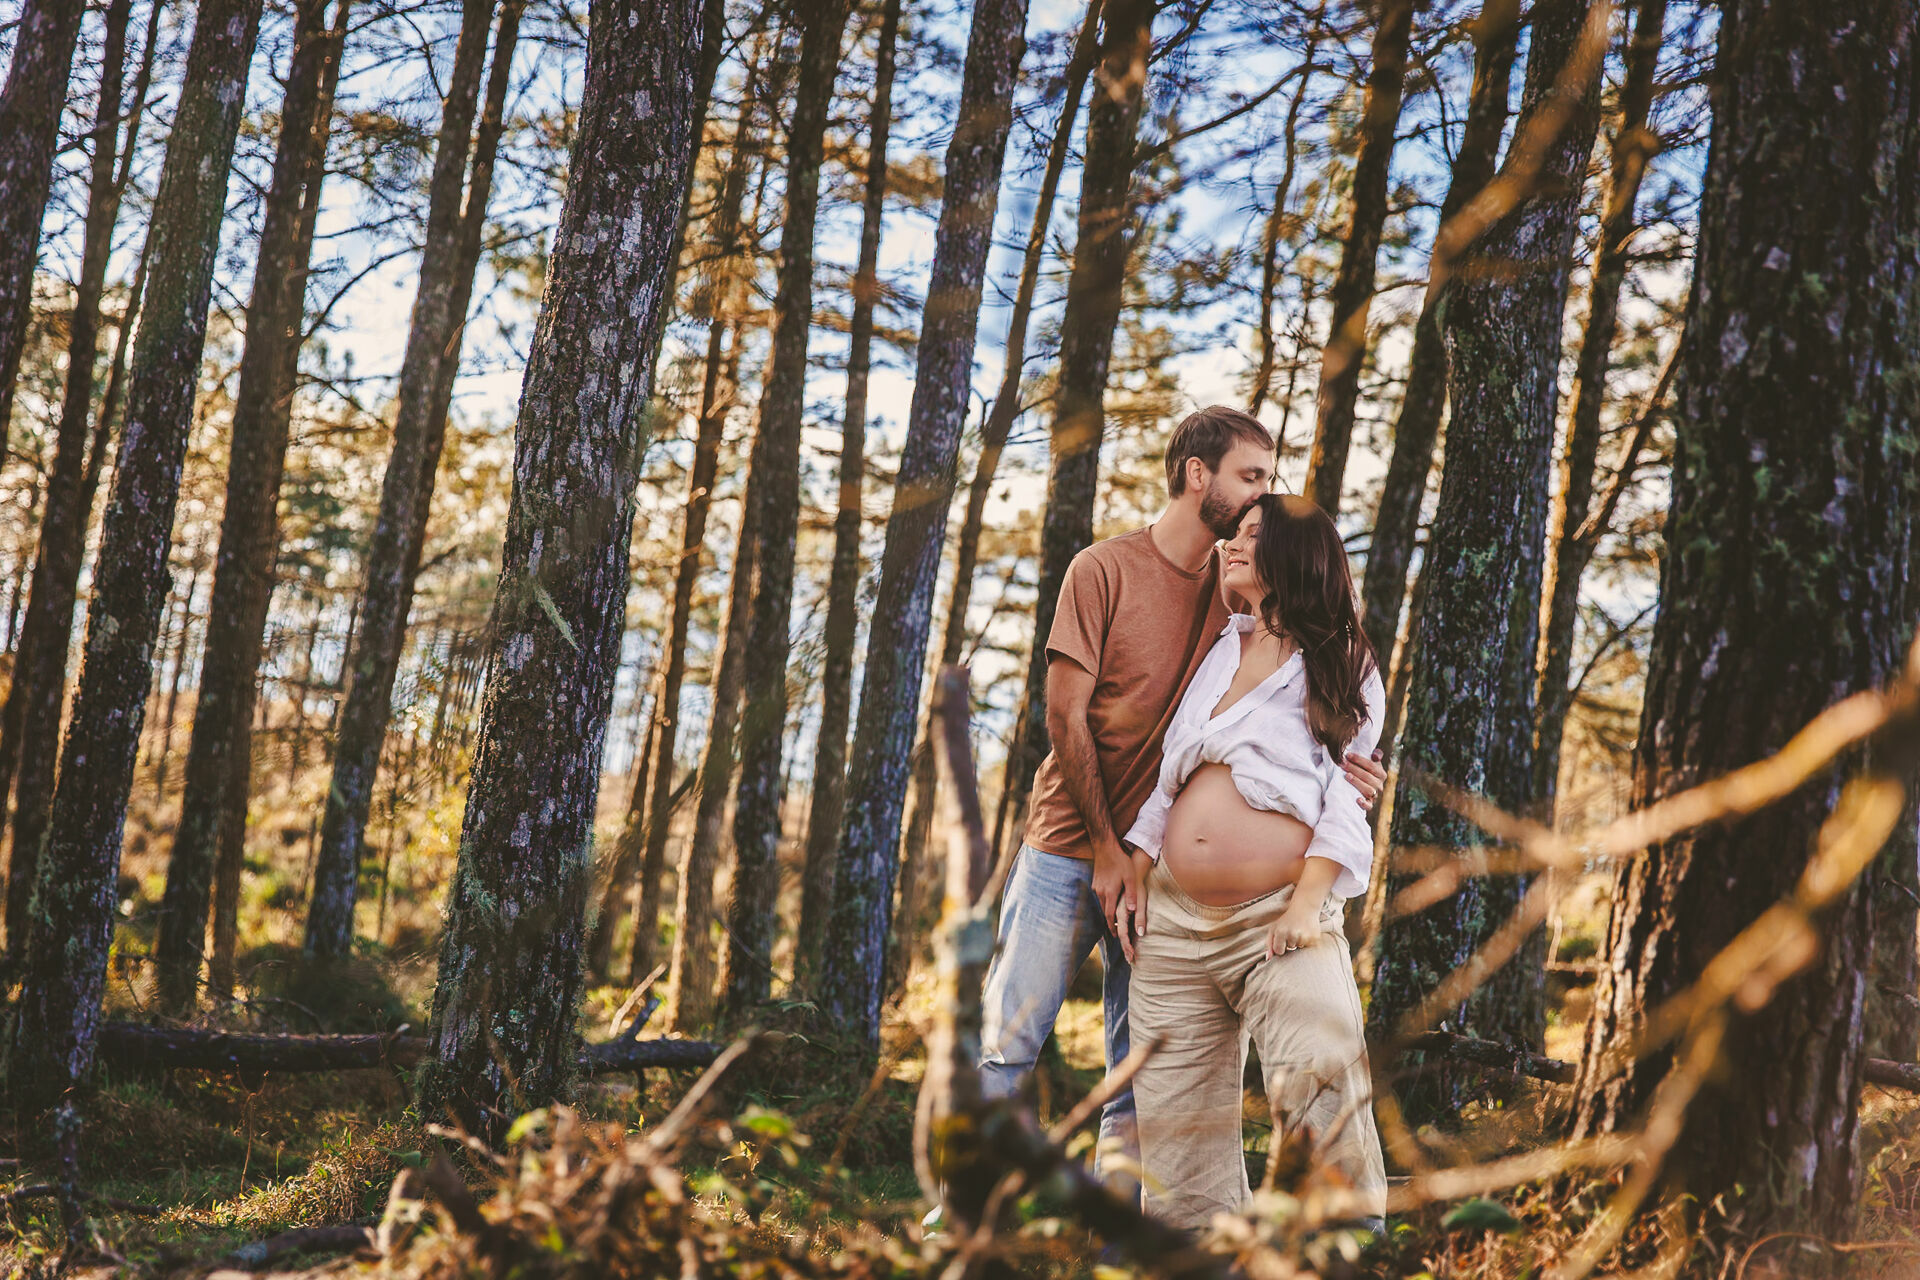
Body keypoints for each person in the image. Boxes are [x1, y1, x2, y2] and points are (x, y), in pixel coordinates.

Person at [975, 407, 1387, 1197]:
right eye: (1252, 477)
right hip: (1073, 848)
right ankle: (964, 1216)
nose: (1262, 493)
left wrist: (1348, 778)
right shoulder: (1106, 570)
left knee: (1141, 1076)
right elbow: (1066, 716)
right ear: (1199, 475)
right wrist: (1110, 848)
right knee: (1009, 1042)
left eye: (1267, 484)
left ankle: (1122, 1230)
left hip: (1165, 881)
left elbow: (1313, 728)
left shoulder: (1241, 608)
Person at [1119, 492, 1389, 1232]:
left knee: (1319, 1073)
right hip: (1172, 928)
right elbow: (1173, 773)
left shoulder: (1344, 665)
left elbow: (1345, 799)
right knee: (1177, 1135)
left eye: (1250, 535)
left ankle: (1345, 1250)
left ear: (1294, 559)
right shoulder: (1220, 649)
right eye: (1233, 534)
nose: (1231, 545)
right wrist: (1139, 864)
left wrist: (1308, 903)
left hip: (1279, 914)